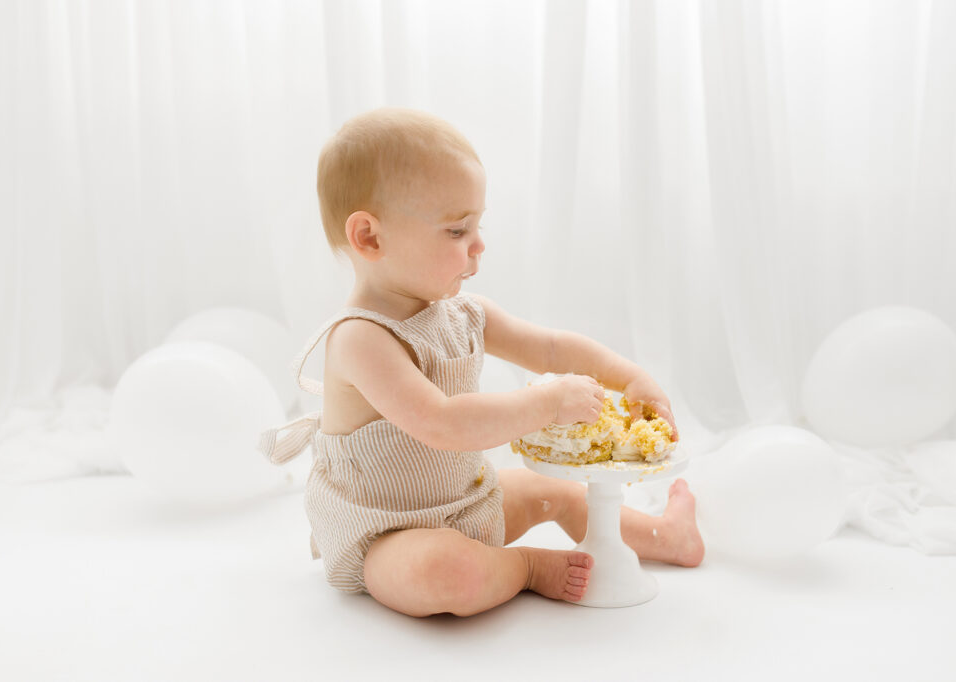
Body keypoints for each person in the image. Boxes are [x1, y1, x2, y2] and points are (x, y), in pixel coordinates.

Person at [260, 107, 703, 618]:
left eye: (477, 225)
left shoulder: (464, 314)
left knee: (554, 491)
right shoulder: (361, 339)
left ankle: (667, 536)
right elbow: (441, 424)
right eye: (456, 231)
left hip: (468, 505)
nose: (478, 245)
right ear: (370, 238)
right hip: (387, 535)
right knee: (448, 574)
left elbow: (552, 348)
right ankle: (525, 568)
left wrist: (631, 378)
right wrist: (545, 403)